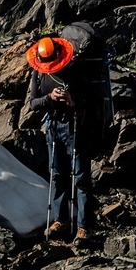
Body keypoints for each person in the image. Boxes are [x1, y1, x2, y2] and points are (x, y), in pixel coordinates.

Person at [23, 21, 112, 245]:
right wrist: (50, 98)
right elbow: (33, 103)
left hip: (75, 127)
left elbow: (93, 99)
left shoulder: (74, 71)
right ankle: (59, 220)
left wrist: (74, 102)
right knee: (57, 174)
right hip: (53, 126)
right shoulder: (38, 73)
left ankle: (83, 226)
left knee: (81, 177)